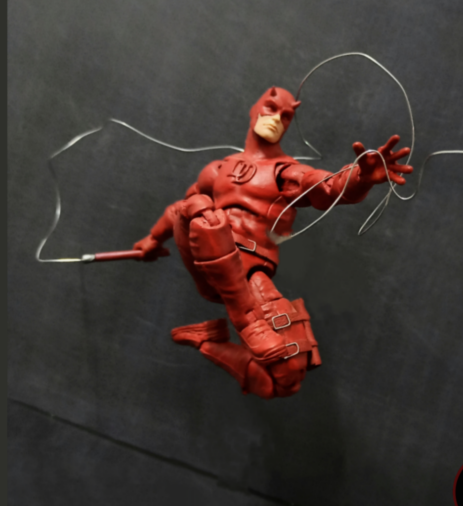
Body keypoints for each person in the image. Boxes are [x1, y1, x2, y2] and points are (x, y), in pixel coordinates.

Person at [133, 86, 413, 398]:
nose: (277, 118)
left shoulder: (284, 173)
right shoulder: (218, 169)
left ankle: (206, 340)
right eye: (271, 108)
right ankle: (246, 320)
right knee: (198, 205)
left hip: (250, 273)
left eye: (286, 116)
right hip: (206, 256)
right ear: (254, 109)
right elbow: (180, 210)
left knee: (286, 379)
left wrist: (359, 178)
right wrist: (153, 238)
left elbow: (325, 186)